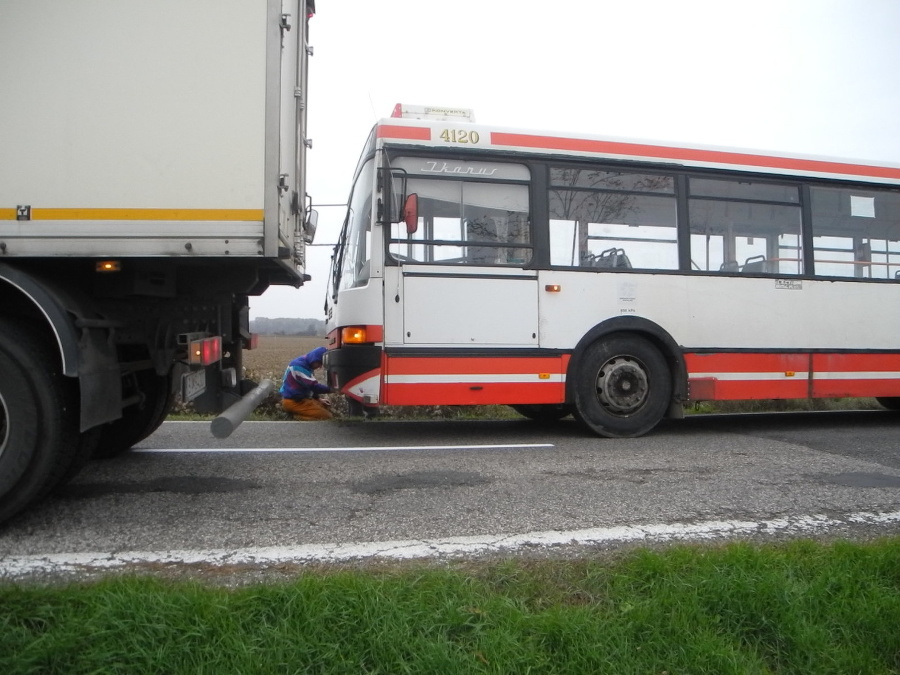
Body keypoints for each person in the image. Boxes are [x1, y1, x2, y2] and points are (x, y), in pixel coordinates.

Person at [279, 346, 333, 420]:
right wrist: (332, 390)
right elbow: (313, 386)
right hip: (294, 402)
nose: (320, 367)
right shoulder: (298, 367)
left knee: (325, 406)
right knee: (327, 417)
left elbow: (309, 385)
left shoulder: (306, 364)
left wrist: (318, 399)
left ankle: (297, 414)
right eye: (320, 363)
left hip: (302, 399)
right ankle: (295, 417)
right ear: (315, 359)